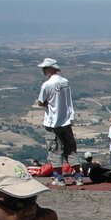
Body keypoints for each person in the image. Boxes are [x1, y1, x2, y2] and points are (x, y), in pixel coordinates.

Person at [35, 58, 83, 187]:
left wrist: (46, 104)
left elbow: (41, 102)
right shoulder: (65, 82)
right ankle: (78, 177)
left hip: (53, 123)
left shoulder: (47, 85)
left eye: (45, 68)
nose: (43, 70)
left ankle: (59, 178)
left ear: (50, 68)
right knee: (71, 149)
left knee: (55, 150)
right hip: (66, 120)